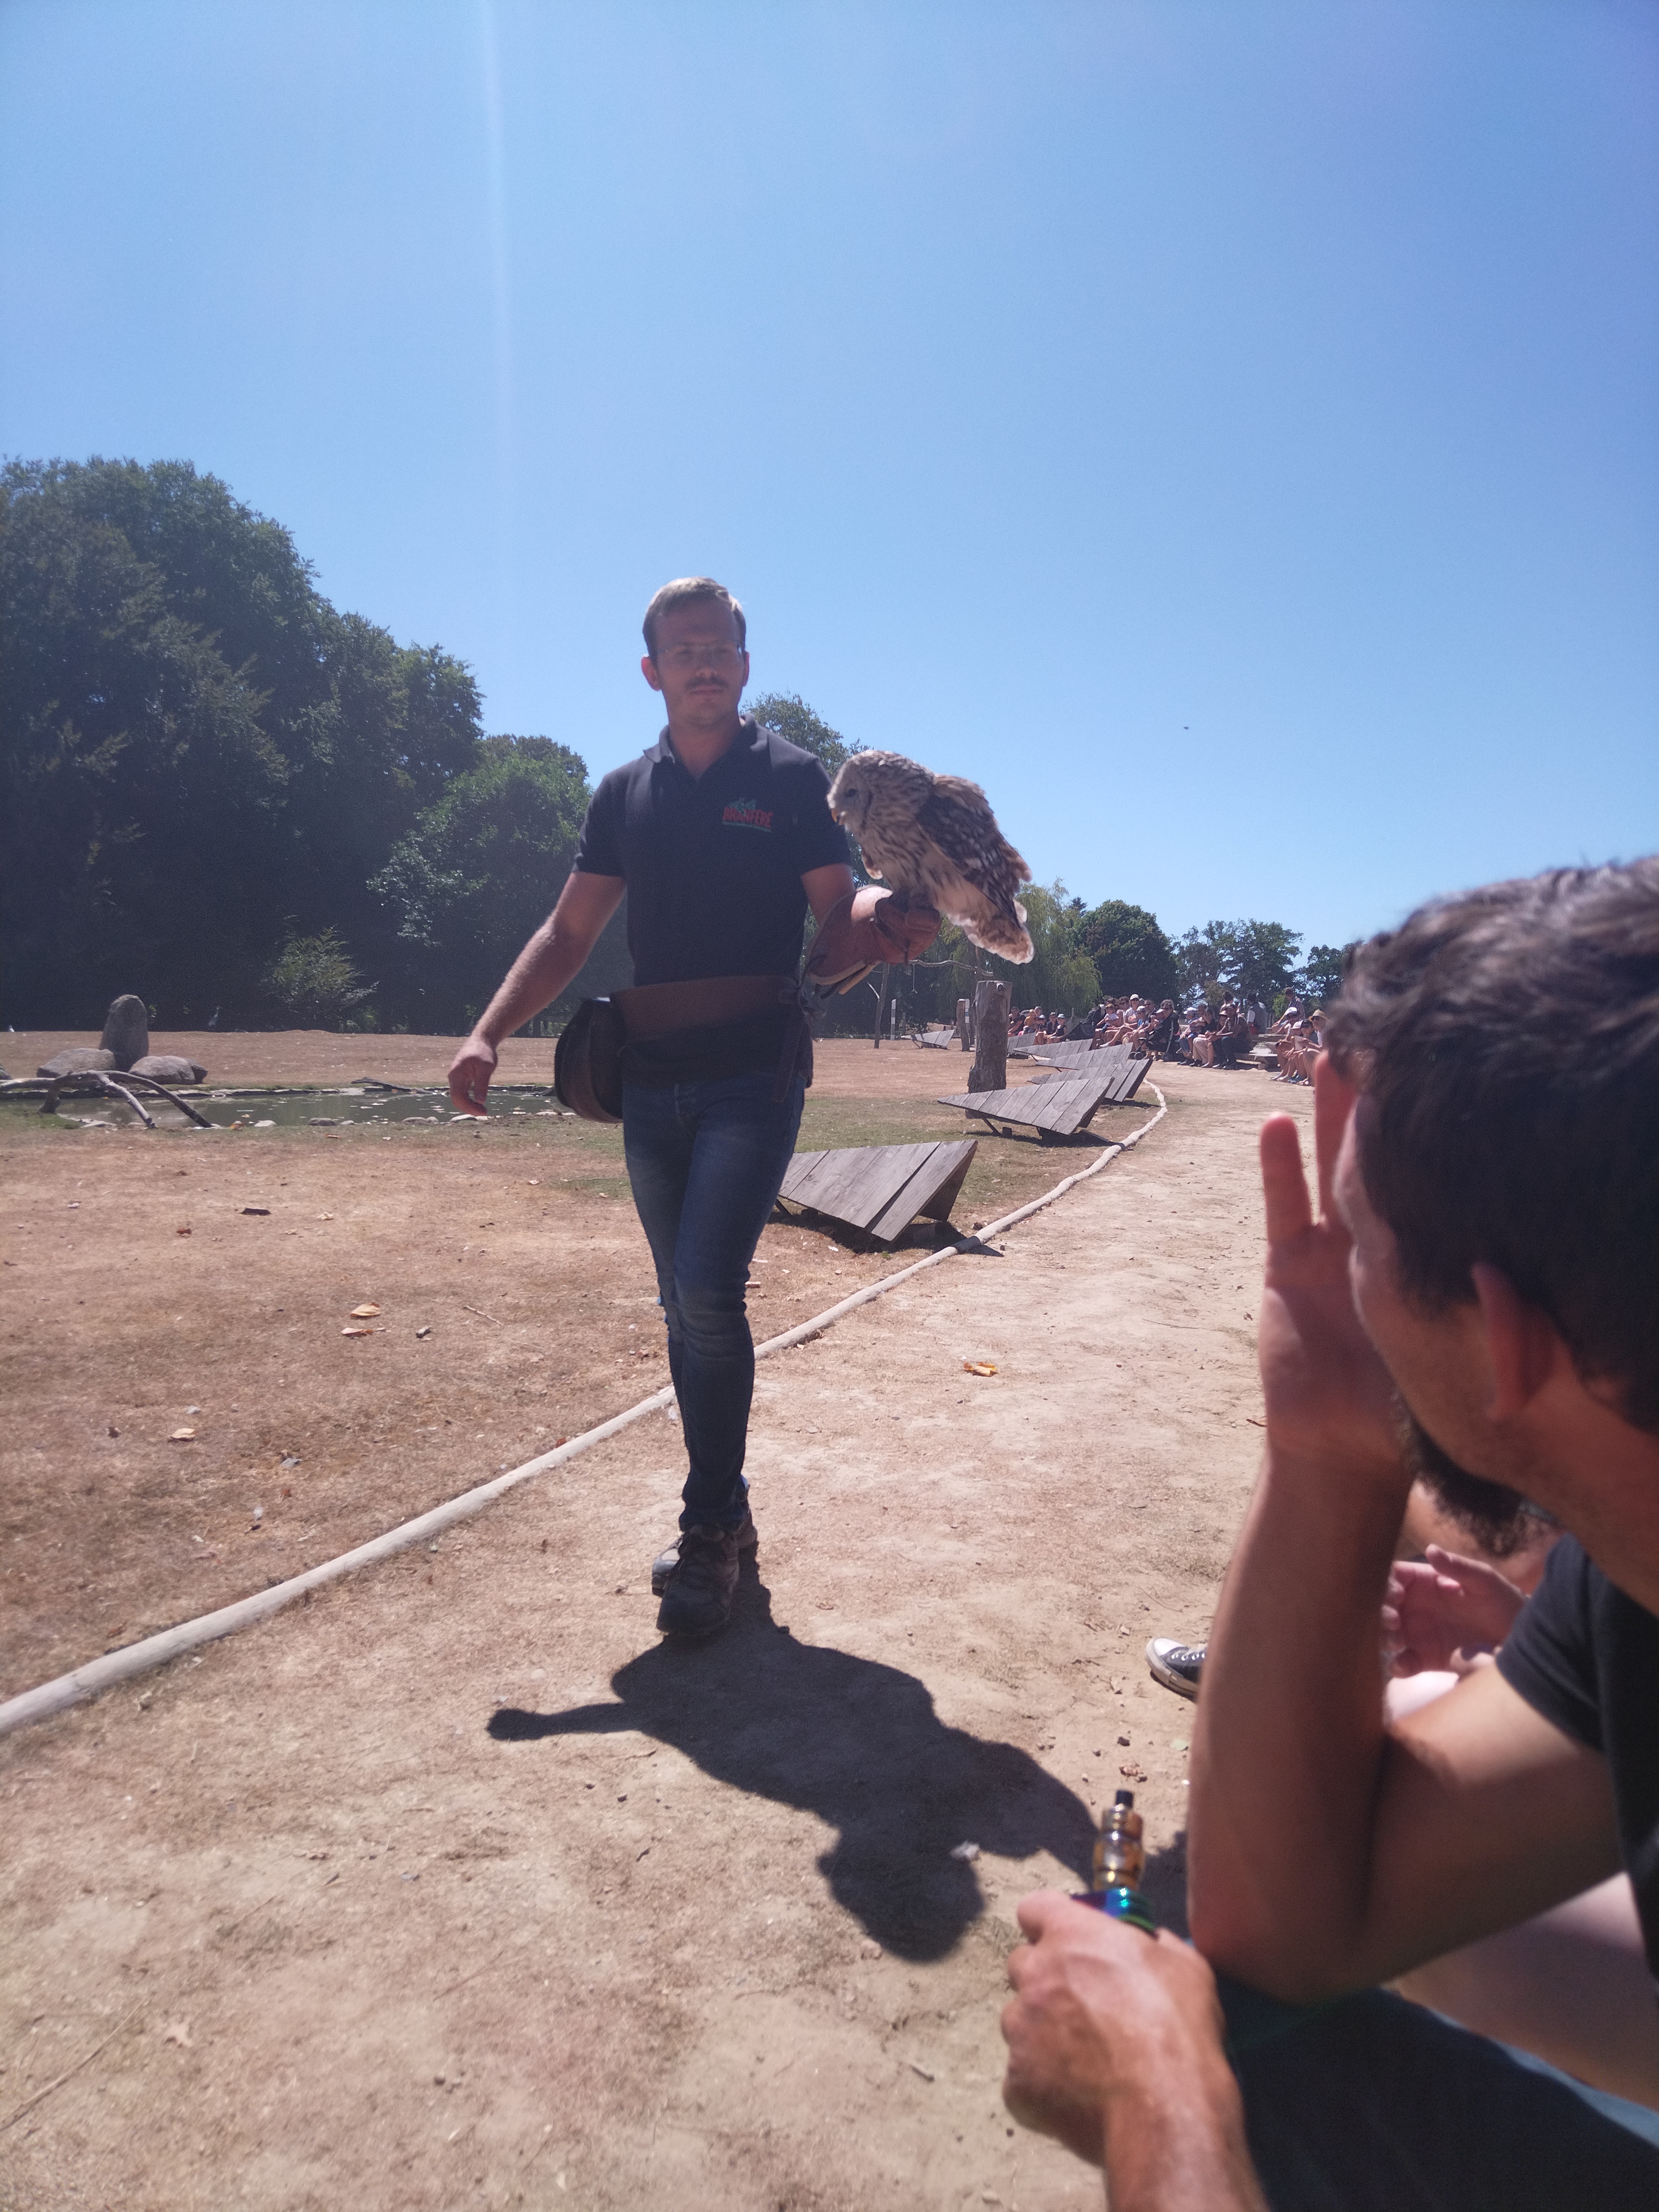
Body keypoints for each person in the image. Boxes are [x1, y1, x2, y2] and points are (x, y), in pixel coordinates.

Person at [999, 859, 1659, 2209]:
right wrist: (1325, 1449)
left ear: (1510, 1343)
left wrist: (1155, 2109)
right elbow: (1286, 1924)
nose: (1334, 1273)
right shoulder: (1629, 1573)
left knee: (1220, 2071)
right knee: (1265, 2025)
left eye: (1359, 1241)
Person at [447, 577, 937, 1637]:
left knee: (710, 1291)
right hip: (649, 1076)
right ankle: (731, 1509)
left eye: (720, 648)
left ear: (745, 667)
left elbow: (837, 903)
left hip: (755, 1069)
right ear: (652, 671)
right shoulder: (623, 794)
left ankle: (708, 1527)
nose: (704, 663)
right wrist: (489, 1029)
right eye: (685, 649)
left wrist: (885, 914)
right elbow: (569, 934)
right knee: (683, 1305)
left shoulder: (793, 777)